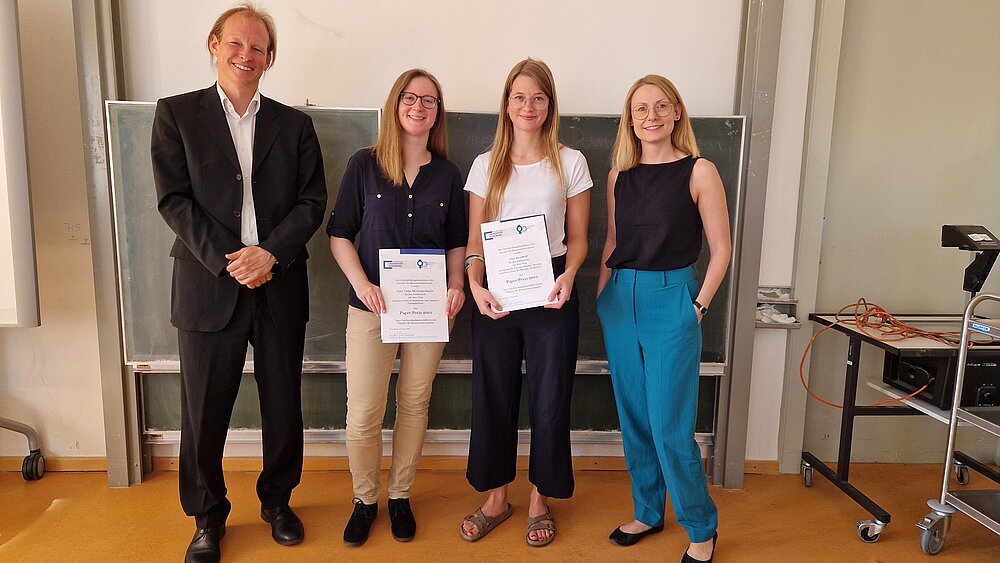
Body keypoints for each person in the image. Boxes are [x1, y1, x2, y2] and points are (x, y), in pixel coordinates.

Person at [151, 4, 327, 562]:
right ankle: (206, 517)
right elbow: (173, 200)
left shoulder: (295, 125)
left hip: (278, 283)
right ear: (214, 44)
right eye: (236, 44)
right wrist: (233, 258)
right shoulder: (176, 114)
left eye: (257, 47)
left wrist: (268, 254)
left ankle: (277, 502)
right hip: (209, 284)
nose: (245, 55)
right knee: (204, 410)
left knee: (282, 405)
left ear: (270, 58)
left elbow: (312, 202)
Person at [328, 69, 467, 547]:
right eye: (410, 97)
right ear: (395, 104)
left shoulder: (448, 175)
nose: (419, 106)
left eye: (429, 100)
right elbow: (340, 233)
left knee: (414, 402)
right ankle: (365, 500)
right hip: (371, 307)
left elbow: (455, 242)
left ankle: (401, 495)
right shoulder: (363, 165)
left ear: (437, 113)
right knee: (364, 411)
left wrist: (456, 286)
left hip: (429, 309)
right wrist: (362, 284)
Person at [596, 75, 730, 562]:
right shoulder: (618, 176)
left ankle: (701, 527)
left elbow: (722, 249)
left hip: (673, 298)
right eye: (639, 109)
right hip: (620, 299)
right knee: (634, 419)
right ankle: (649, 511)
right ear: (629, 120)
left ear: (676, 112)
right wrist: (602, 299)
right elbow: (612, 242)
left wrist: (698, 307)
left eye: (659, 106)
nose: (649, 116)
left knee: (670, 424)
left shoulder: (699, 171)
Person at [460, 58, 592, 547]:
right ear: (507, 105)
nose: (528, 106)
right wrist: (475, 285)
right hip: (495, 290)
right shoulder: (484, 165)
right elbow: (473, 242)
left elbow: (578, 238)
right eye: (519, 97)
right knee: (492, 394)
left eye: (538, 97)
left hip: (552, 289)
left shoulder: (571, 161)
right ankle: (497, 497)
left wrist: (571, 276)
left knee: (550, 396)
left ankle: (541, 498)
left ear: (549, 104)